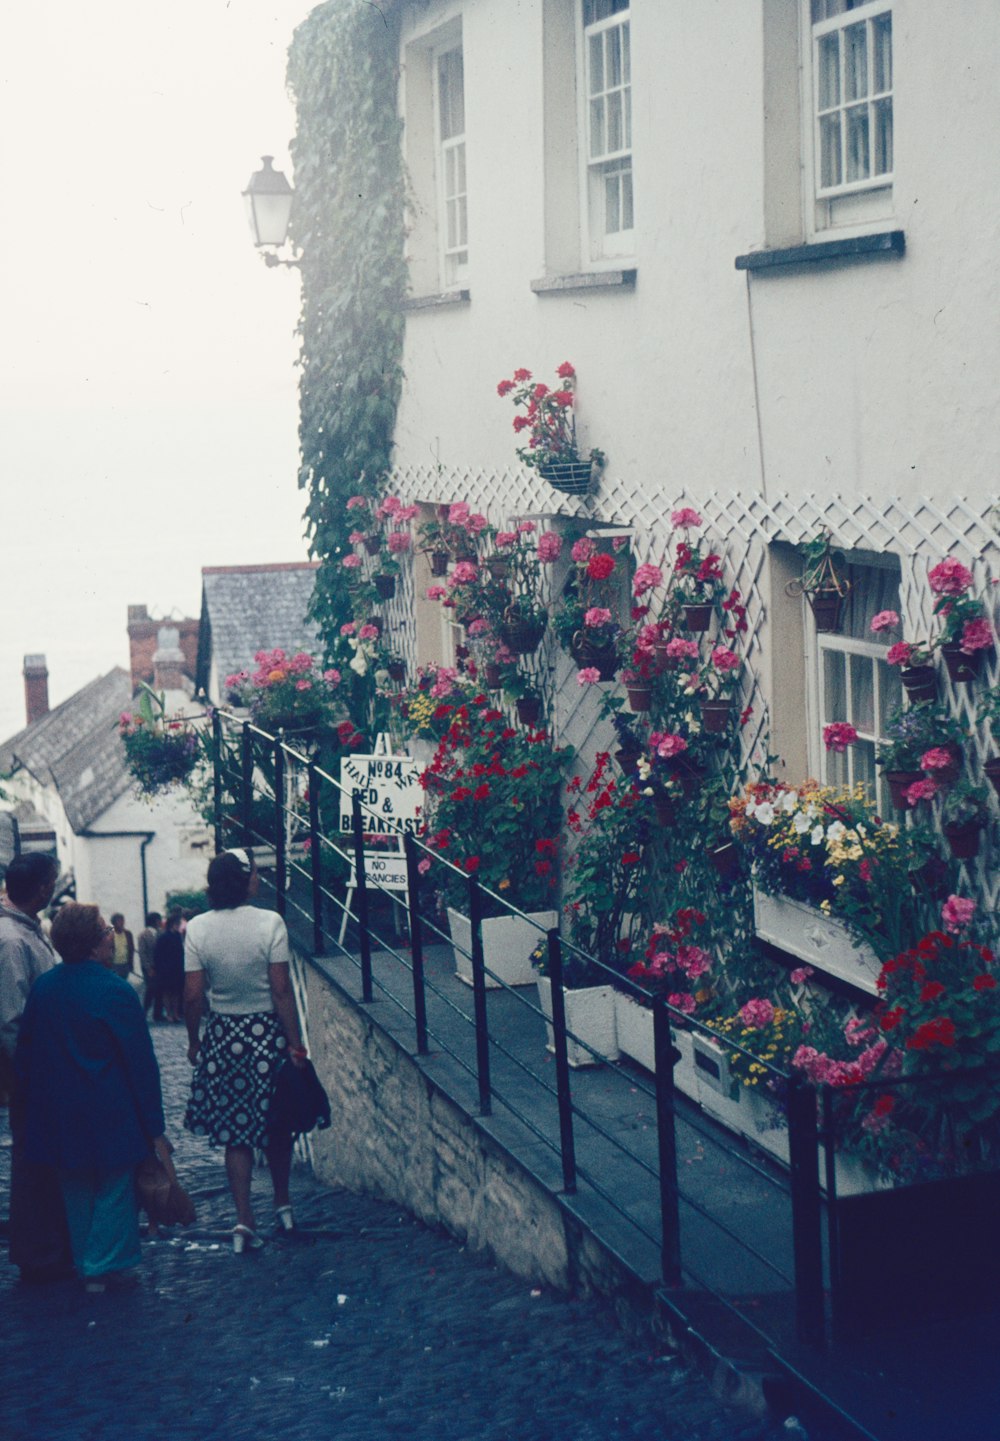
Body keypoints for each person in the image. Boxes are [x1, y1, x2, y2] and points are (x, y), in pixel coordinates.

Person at [15, 902, 171, 1292]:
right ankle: (100, 1266)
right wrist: (154, 1125)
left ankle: (90, 1262)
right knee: (114, 1191)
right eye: (104, 932)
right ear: (92, 944)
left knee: (76, 1190)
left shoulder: (44, 988)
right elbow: (140, 1063)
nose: (109, 938)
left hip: (59, 1113)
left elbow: (27, 1054)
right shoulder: (115, 991)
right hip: (109, 1110)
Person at [183, 849, 307, 1253]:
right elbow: (281, 990)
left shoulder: (198, 928)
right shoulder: (270, 922)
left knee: (236, 1133)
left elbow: (193, 995)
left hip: (224, 1037)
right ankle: (283, 1204)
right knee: (277, 1124)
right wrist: (294, 1041)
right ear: (244, 879)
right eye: (254, 872)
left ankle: (243, 1219)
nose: (259, 877)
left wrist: (194, 1040)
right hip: (265, 1033)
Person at [0, 853, 73, 1281]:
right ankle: (37, 1253)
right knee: (31, 1160)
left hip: (42, 1065)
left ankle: (46, 1246)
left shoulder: (27, 931)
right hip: (32, 1070)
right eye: (53, 880)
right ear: (44, 888)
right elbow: (11, 1020)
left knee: (41, 1157)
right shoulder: (12, 940)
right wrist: (25, 1077)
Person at [153, 910, 184, 1023]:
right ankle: (169, 1013)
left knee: (176, 992)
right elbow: (158, 954)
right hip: (166, 968)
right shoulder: (163, 937)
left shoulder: (177, 936)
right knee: (167, 992)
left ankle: (175, 1013)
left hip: (177, 968)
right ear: (173, 924)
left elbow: (181, 952)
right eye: (177, 923)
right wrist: (158, 967)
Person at [137, 912, 163, 1020]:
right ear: (154, 921)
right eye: (158, 920)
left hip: (160, 966)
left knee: (160, 989)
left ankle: (158, 1014)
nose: (160, 922)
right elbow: (142, 953)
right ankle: (144, 1011)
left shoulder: (160, 933)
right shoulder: (143, 935)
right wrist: (148, 968)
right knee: (150, 989)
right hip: (149, 966)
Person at [108, 913, 135, 980]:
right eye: (119, 921)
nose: (122, 923)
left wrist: (131, 964)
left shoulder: (128, 934)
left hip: (125, 964)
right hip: (114, 965)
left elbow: (131, 949)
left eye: (122, 920)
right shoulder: (111, 934)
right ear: (114, 923)